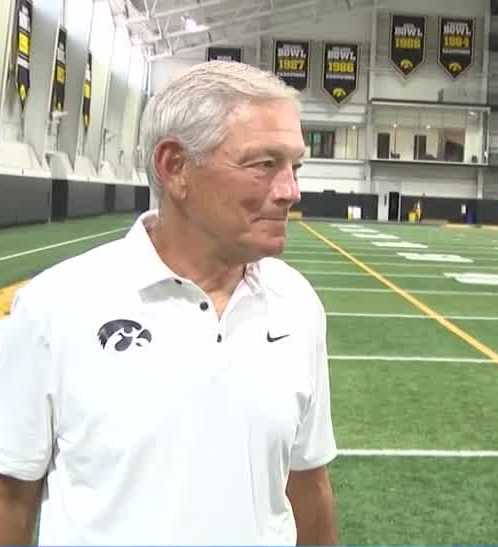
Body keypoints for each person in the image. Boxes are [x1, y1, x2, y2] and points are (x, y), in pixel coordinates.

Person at [0, 61, 338, 545]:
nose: (290, 191)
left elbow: (307, 482)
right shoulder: (55, 305)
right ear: (175, 167)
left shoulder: (297, 305)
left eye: (294, 166)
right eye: (265, 164)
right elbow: (11, 495)